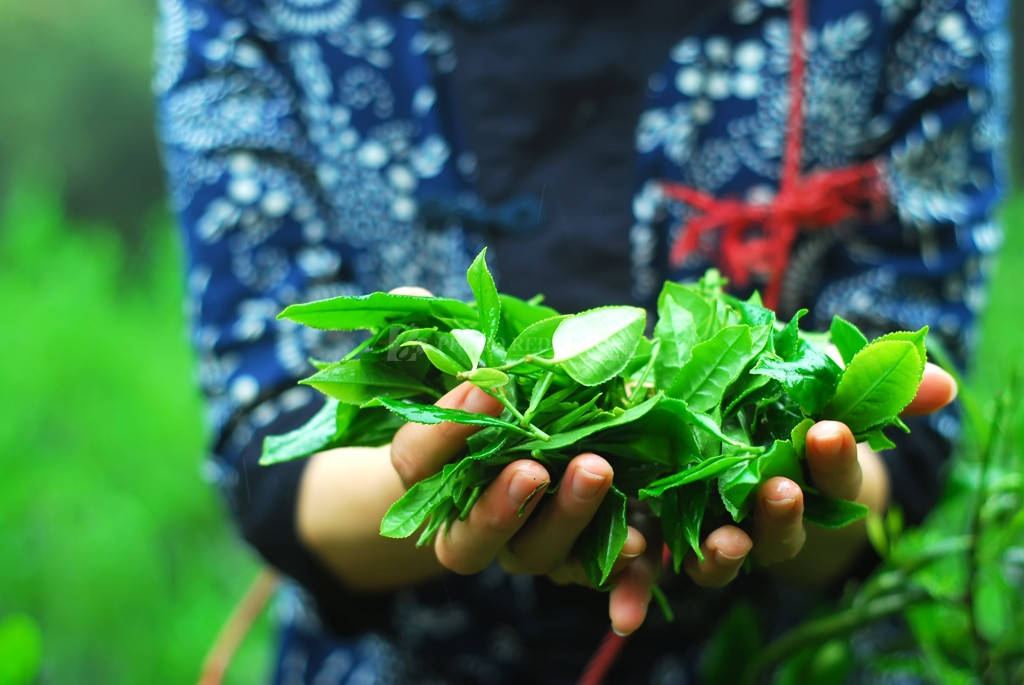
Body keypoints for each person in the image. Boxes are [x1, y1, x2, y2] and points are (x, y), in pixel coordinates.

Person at [155, 0, 1009, 681]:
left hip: (783, 657)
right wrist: (468, 472)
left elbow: (903, 453)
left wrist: (780, 478)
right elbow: (270, 440)